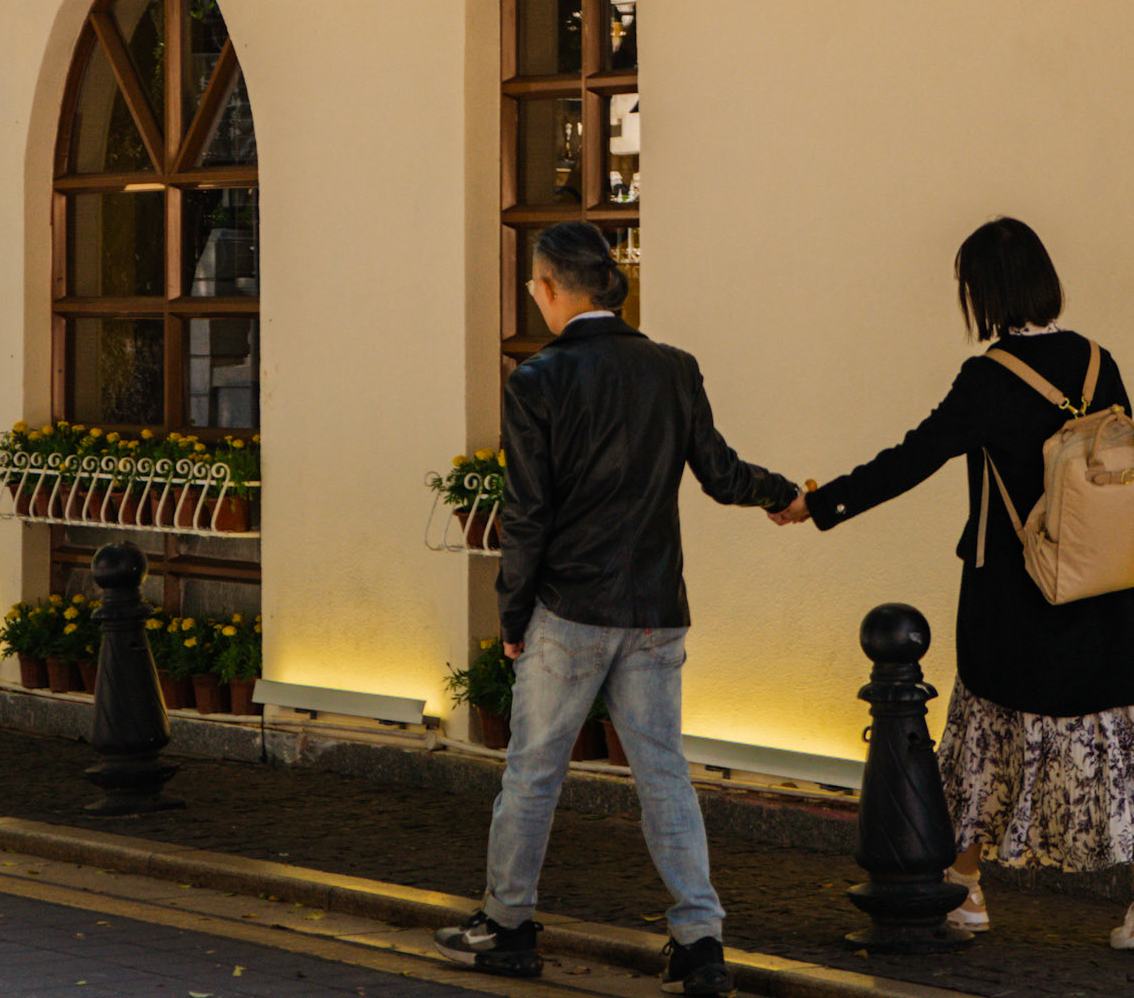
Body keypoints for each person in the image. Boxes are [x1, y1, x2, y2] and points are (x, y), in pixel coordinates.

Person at [434, 222, 798, 995]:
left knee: (533, 773)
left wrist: (510, 617)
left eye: (534, 285)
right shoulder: (672, 368)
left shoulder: (537, 380)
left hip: (569, 608)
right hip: (656, 608)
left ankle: (506, 924)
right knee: (663, 774)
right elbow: (722, 473)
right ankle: (699, 939)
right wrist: (783, 494)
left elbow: (527, 513)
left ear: (549, 288)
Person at [772, 217, 1134, 945]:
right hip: (1106, 592)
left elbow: (913, 456)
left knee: (987, 741)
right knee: (1113, 743)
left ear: (983, 292)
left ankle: (966, 888)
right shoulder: (1100, 361)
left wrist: (821, 502)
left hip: (1016, 597)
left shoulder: (988, 378)